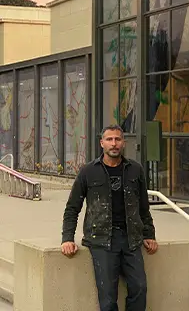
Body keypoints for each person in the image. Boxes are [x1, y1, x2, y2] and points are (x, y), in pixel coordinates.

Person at [61, 124, 158, 311]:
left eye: (117, 139)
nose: (114, 143)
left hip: (131, 238)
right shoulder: (88, 171)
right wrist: (67, 239)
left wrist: (149, 234)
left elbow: (144, 208)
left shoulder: (135, 170)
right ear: (102, 143)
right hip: (101, 240)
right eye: (109, 139)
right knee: (108, 297)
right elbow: (72, 208)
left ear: (123, 143)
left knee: (140, 287)